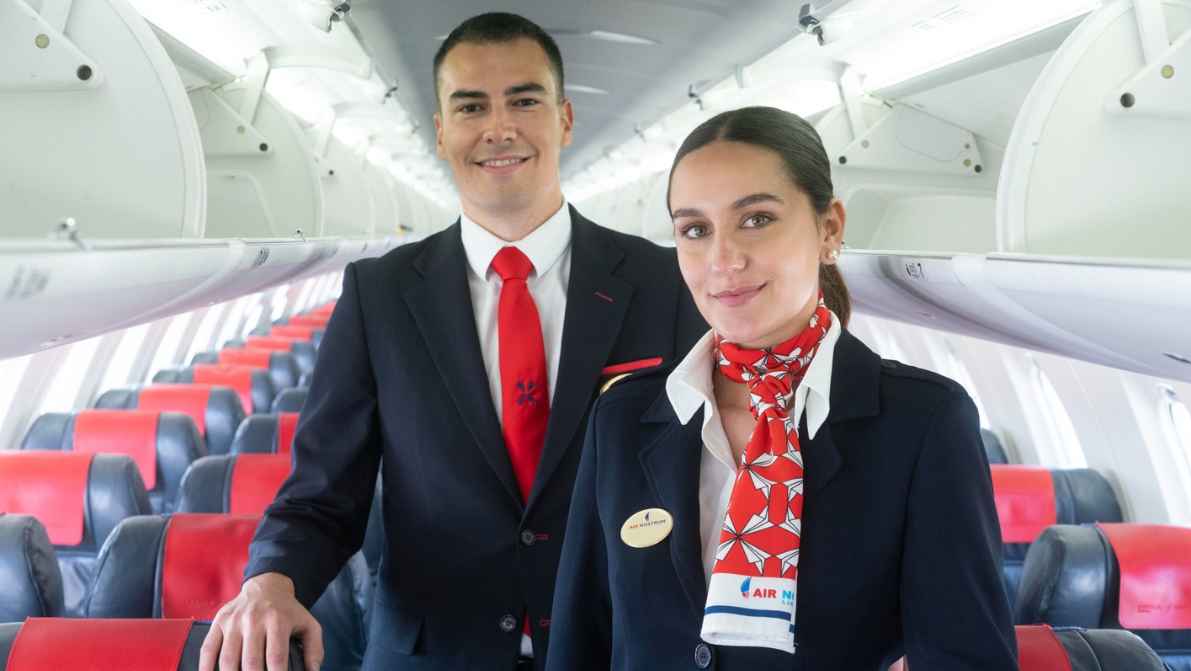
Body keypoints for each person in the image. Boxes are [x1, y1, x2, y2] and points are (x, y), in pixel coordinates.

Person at [199, 12, 704, 671]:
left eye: (525, 100)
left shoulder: (665, 283)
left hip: (615, 646)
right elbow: (324, 493)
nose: (499, 128)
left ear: (566, 119)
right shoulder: (377, 296)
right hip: (431, 651)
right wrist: (271, 579)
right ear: (441, 132)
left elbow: (714, 474)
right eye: (471, 107)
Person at [545, 106, 1018, 670]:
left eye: (756, 219)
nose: (723, 260)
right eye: (695, 230)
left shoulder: (921, 423)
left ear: (829, 228)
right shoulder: (625, 417)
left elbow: (966, 658)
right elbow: (582, 639)